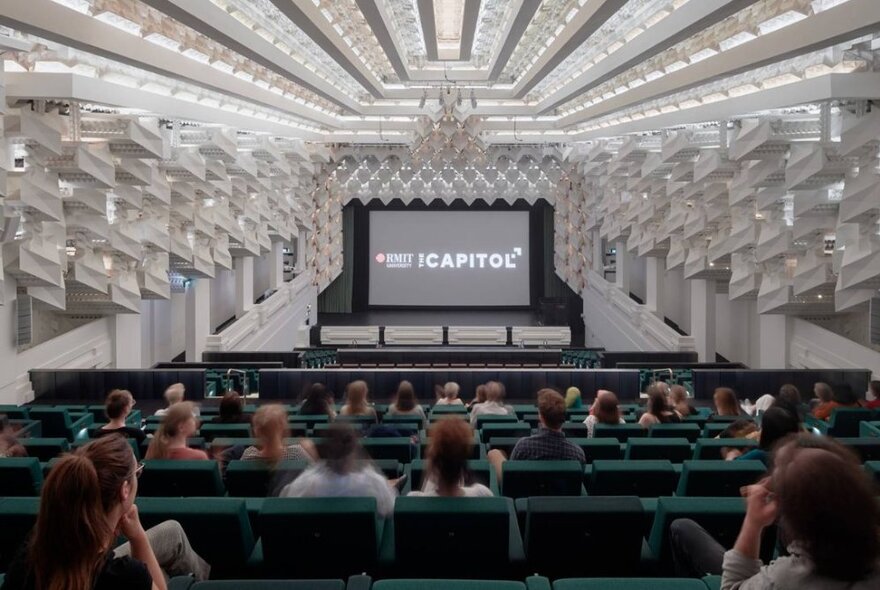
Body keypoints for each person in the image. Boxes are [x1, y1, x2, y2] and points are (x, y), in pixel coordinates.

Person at [669, 435, 880, 588]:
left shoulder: (784, 580)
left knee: (682, 527)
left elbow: (733, 586)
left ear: (795, 516)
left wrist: (753, 521)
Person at [1, 435, 209, 590]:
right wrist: (137, 537)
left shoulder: (27, 558)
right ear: (124, 490)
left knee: (172, 530)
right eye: (137, 472)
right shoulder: (127, 575)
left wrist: (135, 533)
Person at [280, 423, 398, 517]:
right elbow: (391, 507)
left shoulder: (306, 483)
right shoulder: (373, 483)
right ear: (354, 450)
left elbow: (285, 503)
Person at [488, 389, 585, 481]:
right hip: (562, 495)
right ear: (563, 417)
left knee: (494, 453)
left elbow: (512, 474)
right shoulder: (577, 453)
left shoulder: (524, 446)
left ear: (541, 417)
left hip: (526, 493)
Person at [409, 418, 492, 497]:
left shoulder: (413, 499)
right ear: (462, 463)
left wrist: (395, 489)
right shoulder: (483, 494)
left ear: (434, 462)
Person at [241, 404, 315, 463]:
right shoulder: (296, 453)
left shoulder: (248, 456)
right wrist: (311, 452)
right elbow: (315, 477)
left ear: (257, 431)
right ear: (283, 428)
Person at [724, 407, 800, 463]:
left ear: (767, 432)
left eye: (762, 428)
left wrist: (731, 455)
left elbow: (730, 467)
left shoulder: (759, 455)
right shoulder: (800, 456)